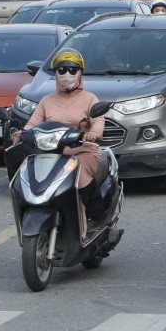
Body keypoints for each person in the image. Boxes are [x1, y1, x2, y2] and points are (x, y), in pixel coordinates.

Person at [8, 50, 106, 215]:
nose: (67, 74)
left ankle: (92, 214)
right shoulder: (47, 100)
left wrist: (93, 134)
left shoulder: (90, 98)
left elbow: (98, 120)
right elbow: (33, 123)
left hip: (82, 150)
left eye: (72, 70)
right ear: (56, 73)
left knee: (79, 174)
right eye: (62, 70)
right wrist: (22, 134)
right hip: (51, 153)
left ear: (80, 73)